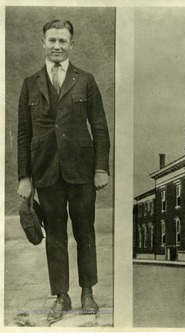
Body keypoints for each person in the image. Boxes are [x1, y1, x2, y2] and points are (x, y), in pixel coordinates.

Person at [17, 19, 111, 322]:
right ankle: (61, 295)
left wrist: (100, 169)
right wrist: (24, 176)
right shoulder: (30, 83)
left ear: (72, 44)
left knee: (85, 232)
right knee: (55, 235)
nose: (57, 46)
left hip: (82, 171)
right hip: (46, 171)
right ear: (42, 43)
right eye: (52, 40)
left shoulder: (86, 80)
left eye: (62, 41)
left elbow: (99, 127)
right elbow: (23, 133)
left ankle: (87, 292)